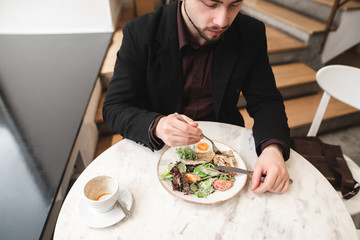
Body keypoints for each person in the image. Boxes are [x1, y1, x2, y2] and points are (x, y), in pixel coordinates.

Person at [103, 0, 291, 194]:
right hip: (158, 151)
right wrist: (157, 125)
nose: (222, 21)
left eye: (234, 4)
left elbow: (266, 100)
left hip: (223, 148)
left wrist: (273, 149)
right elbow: (114, 108)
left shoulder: (251, 32)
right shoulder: (140, 32)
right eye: (211, 4)